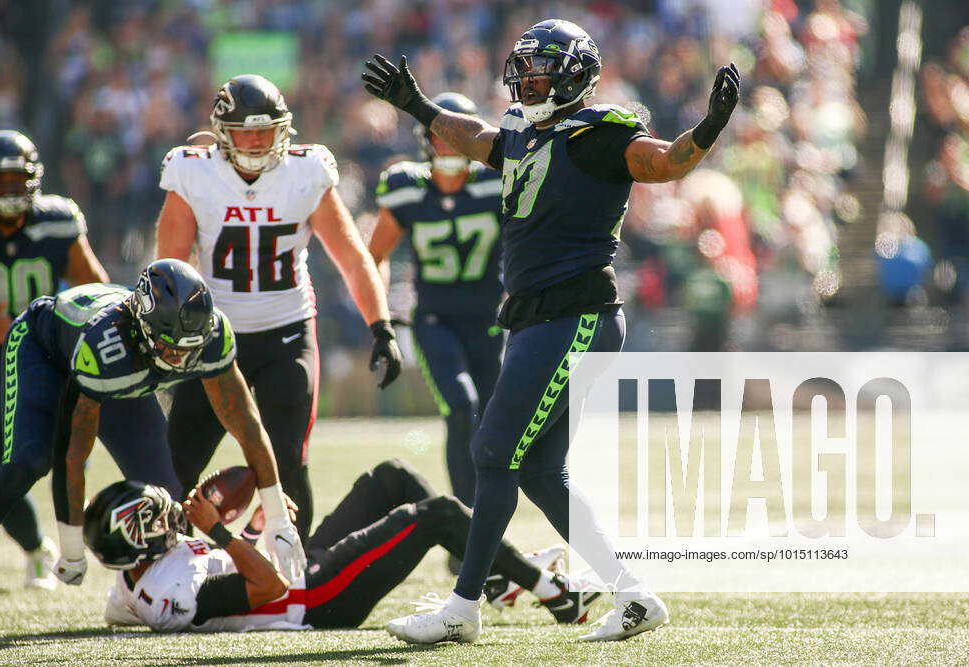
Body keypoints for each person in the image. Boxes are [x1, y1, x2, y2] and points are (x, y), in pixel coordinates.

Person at [362, 18, 739, 642]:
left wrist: (708, 129)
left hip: (576, 316)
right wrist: (415, 103)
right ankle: (636, 595)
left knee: (490, 449)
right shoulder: (518, 131)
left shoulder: (599, 133)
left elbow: (668, 163)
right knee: (538, 471)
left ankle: (462, 607)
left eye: (541, 71)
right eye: (524, 71)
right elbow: (472, 136)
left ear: (574, 77)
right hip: (540, 317)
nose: (528, 81)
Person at [155, 74, 401, 541]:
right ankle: (161, 563)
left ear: (282, 129)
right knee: (177, 461)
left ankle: (296, 576)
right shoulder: (192, 172)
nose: (254, 140)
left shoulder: (305, 172)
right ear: (222, 132)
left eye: (264, 129)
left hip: (285, 333)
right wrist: (165, 341)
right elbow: (170, 268)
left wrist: (381, 326)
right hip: (209, 339)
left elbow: (352, 258)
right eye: (244, 130)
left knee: (287, 458)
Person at [0, 259, 305, 588]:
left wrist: (276, 514)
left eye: (189, 349)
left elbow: (245, 422)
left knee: (167, 495)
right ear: (142, 325)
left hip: (123, 367)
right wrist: (72, 550)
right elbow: (72, 455)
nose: (179, 359)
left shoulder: (212, 333)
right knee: (28, 462)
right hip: (43, 349)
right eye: (169, 347)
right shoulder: (106, 348)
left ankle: (152, 592)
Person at [0, 130, 180, 589]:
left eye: (16, 180)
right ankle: (37, 546)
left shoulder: (57, 221)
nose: (9, 190)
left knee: (83, 458)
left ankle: (160, 564)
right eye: (0, 181)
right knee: (7, 461)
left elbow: (96, 287)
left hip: (58, 353)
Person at [85, 459, 591, 633]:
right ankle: (552, 591)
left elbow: (236, 573)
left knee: (391, 477)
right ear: (137, 543)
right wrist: (218, 530)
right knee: (435, 515)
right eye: (154, 518)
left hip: (303, 567)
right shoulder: (167, 595)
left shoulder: (138, 580)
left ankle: (499, 578)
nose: (170, 516)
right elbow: (267, 586)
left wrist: (258, 527)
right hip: (317, 599)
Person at [368, 92, 504, 513]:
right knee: (461, 409)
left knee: (494, 425)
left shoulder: (495, 182)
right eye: (439, 136)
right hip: (435, 320)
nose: (448, 145)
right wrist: (381, 315)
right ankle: (467, 517)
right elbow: (374, 257)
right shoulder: (406, 187)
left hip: (490, 319)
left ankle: (488, 517)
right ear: (426, 140)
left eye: (456, 135)